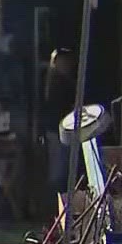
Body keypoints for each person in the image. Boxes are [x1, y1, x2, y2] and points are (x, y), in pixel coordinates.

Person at [43, 48, 79, 191]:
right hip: (57, 130)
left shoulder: (59, 80)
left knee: (61, 169)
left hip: (58, 130)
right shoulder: (56, 81)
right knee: (59, 171)